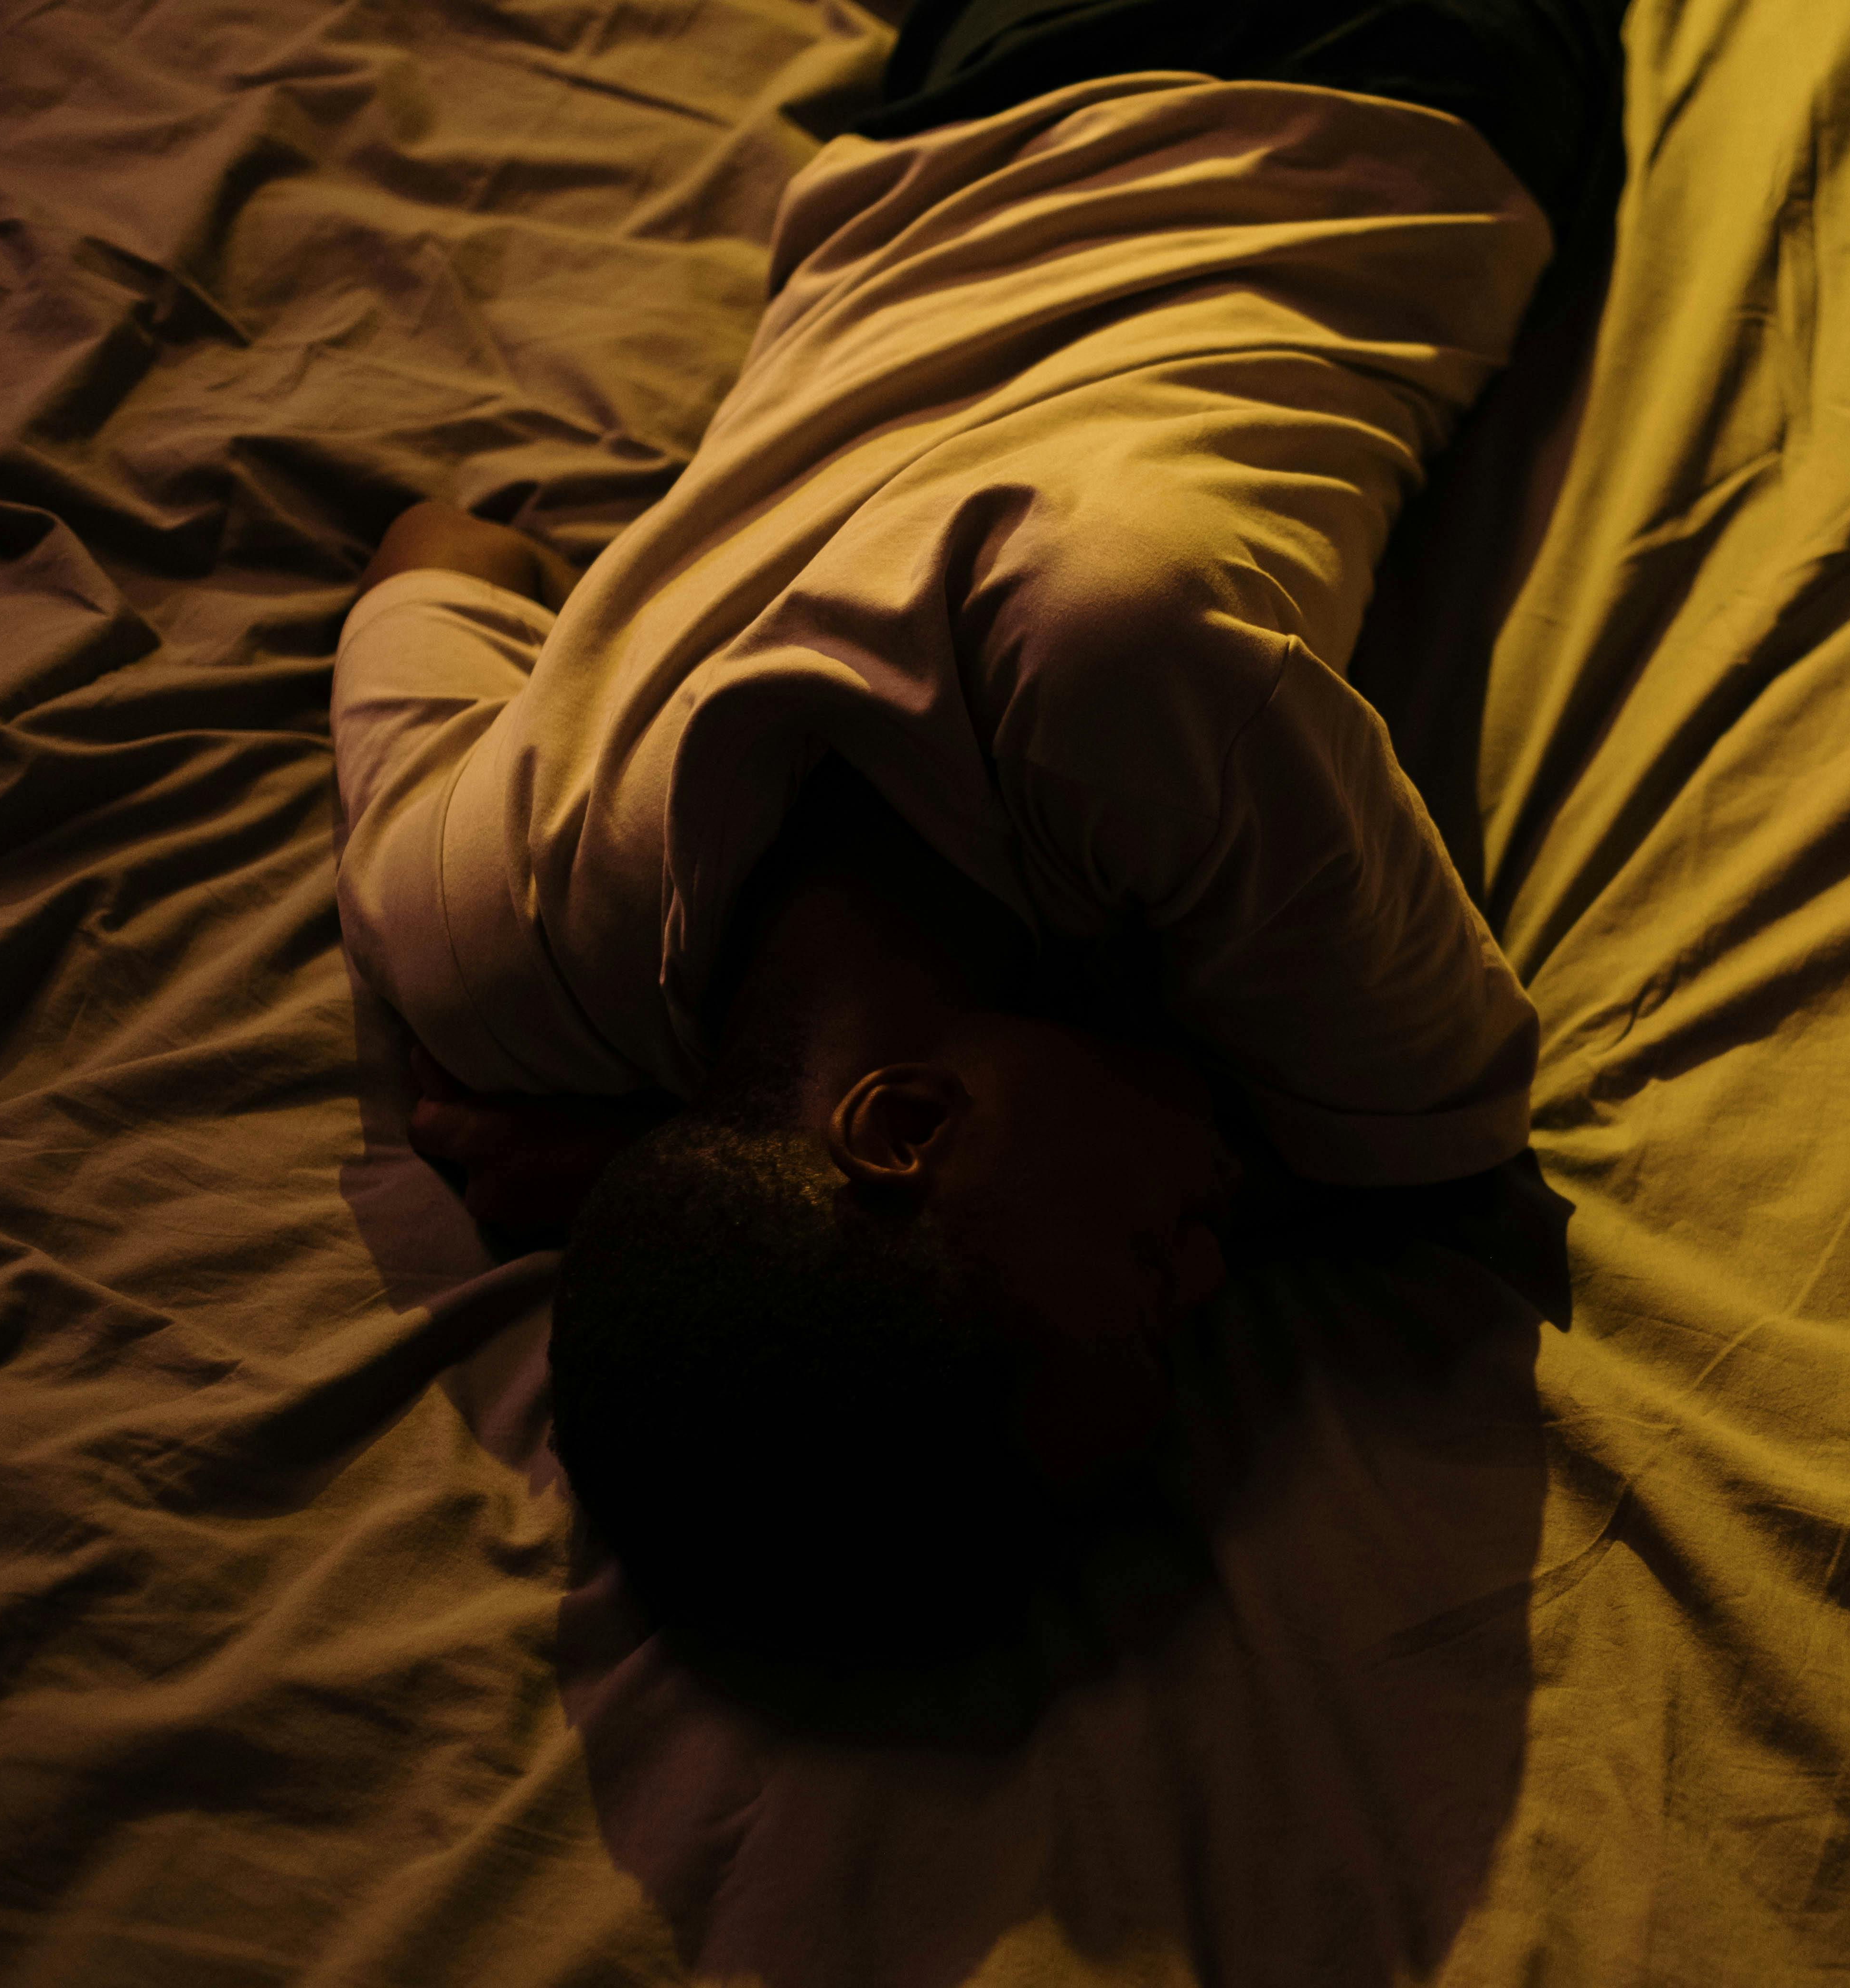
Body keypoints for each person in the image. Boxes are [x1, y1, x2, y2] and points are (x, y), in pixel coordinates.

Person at [331, 0, 1622, 1673]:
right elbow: (447, 545)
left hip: (1371, 72)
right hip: (954, 116)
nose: (1218, 1260)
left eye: (1151, 1273)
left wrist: (666, 1160)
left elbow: (1432, 1155)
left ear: (907, 1122)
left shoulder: (1112, 673)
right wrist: (656, 1151)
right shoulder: (476, 932)